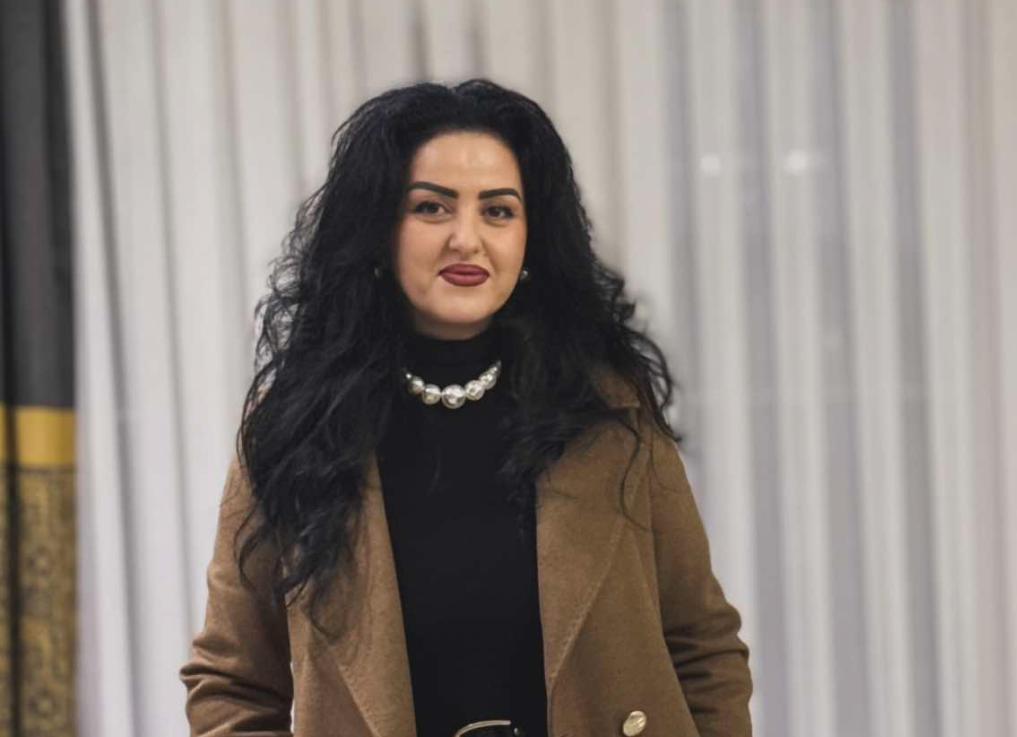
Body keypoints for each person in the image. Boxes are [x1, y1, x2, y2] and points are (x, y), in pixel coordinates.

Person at [179, 78, 752, 737]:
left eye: (498, 211)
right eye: (432, 207)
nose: (467, 238)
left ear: (531, 239)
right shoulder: (295, 427)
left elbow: (702, 645)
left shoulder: (607, 410)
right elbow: (232, 684)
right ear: (378, 231)